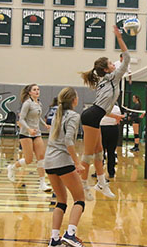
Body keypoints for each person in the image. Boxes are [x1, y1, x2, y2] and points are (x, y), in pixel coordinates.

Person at [79, 25, 128, 200]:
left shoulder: (106, 80)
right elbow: (127, 57)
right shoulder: (113, 77)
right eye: (110, 63)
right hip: (91, 117)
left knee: (99, 153)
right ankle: (83, 187)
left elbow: (104, 108)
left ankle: (101, 183)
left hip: (94, 115)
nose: (114, 64)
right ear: (107, 69)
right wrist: (119, 38)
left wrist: (115, 116)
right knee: (88, 154)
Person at [44, 87, 85, 247]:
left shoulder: (56, 114)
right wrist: (77, 162)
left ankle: (54, 239)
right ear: (74, 100)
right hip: (62, 161)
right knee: (79, 199)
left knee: (61, 201)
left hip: (49, 161)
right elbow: (68, 141)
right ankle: (70, 234)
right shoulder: (74, 116)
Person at [7, 84, 52, 192]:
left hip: (37, 133)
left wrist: (44, 125)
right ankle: (12, 167)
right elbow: (21, 119)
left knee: (41, 158)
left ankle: (42, 184)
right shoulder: (27, 104)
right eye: (34, 90)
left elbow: (38, 116)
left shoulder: (39, 103)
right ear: (30, 92)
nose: (37, 91)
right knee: (28, 159)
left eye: (38, 89)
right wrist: (28, 129)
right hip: (26, 134)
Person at [100, 104, 121, 178]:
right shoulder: (117, 108)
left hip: (102, 130)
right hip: (113, 129)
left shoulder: (101, 107)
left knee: (100, 152)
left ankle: (98, 172)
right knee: (111, 152)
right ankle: (111, 172)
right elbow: (118, 121)